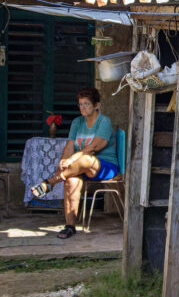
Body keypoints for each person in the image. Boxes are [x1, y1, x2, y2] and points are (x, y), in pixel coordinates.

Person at [30, 87, 119, 239]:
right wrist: (62, 163)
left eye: (86, 104)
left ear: (96, 105)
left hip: (104, 166)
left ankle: (50, 182)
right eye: (80, 104)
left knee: (85, 159)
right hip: (81, 167)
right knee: (70, 181)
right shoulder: (77, 122)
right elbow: (69, 146)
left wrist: (71, 160)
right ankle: (70, 226)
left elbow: (93, 147)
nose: (82, 107)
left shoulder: (104, 121)